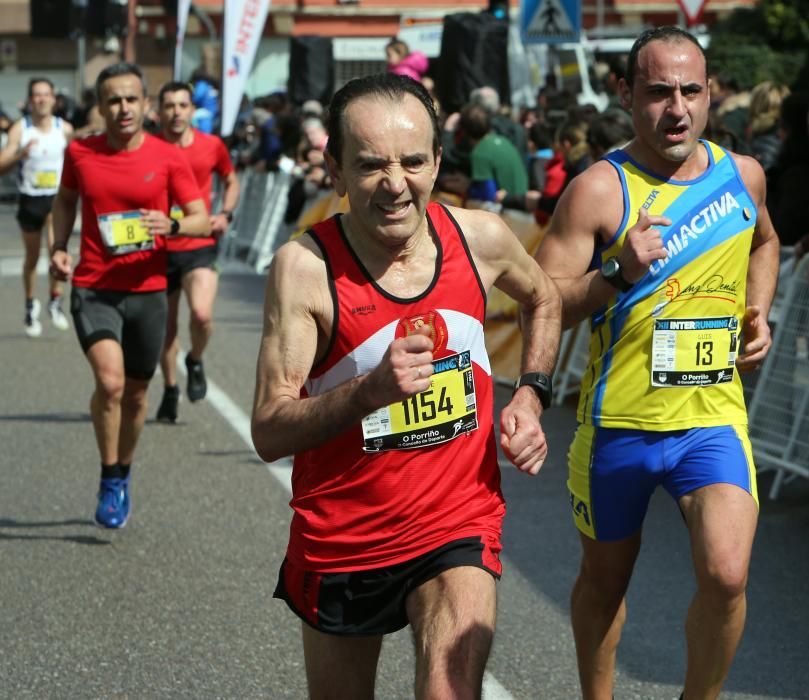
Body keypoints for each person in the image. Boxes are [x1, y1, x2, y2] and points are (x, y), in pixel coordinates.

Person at [251, 73, 561, 699]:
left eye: (413, 162)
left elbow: (545, 298)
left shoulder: (482, 238)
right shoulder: (305, 269)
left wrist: (530, 393)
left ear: (437, 162)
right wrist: (365, 393)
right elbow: (268, 428)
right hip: (346, 534)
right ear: (334, 171)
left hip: (457, 520)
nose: (396, 185)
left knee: (451, 689)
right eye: (370, 166)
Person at [535, 27, 779, 700]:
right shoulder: (597, 191)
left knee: (726, 575)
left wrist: (756, 315)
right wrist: (615, 272)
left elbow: (765, 242)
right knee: (604, 582)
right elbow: (540, 299)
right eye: (657, 93)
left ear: (710, 95)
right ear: (626, 96)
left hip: (710, 421)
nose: (676, 109)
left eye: (690, 91)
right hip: (618, 426)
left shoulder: (743, 175)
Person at [50, 63, 210, 529]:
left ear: (146, 105)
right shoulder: (79, 152)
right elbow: (64, 199)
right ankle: (106, 473)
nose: (123, 108)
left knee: (138, 397)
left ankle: (123, 473)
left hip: (148, 290)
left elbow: (201, 216)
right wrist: (60, 246)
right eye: (113, 100)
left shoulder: (167, 157)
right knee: (112, 383)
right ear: (100, 107)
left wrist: (173, 224)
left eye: (131, 99)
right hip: (95, 286)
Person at [154, 81, 241, 423]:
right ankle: (171, 388)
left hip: (199, 244)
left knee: (201, 315)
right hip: (158, 250)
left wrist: (225, 214)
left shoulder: (211, 145)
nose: (176, 112)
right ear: (159, 111)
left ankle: (195, 360)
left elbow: (231, 180)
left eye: (182, 105)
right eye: (169, 106)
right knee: (167, 329)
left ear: (192, 110)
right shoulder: (150, 147)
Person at [0, 78, 73, 337]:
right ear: (30, 100)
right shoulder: (21, 129)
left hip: (56, 200)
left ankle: (55, 301)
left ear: (54, 99)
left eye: (46, 94)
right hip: (30, 200)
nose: (42, 99)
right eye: (37, 95)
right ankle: (30, 305)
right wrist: (20, 155)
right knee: (32, 258)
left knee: (57, 253)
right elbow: (1, 165)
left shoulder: (64, 129)